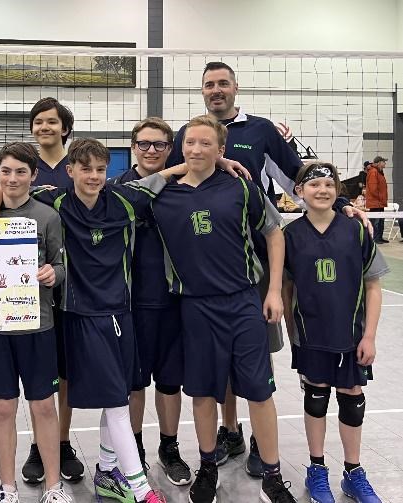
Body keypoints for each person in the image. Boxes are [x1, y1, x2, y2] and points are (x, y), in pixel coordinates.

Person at [166, 61, 368, 474]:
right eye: (209, 85)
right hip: (207, 269)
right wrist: (217, 160)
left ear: (236, 88)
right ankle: (230, 430)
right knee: (216, 357)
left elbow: (303, 176)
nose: (216, 90)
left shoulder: (261, 132)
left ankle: (262, 440)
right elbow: (176, 177)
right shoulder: (189, 135)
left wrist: (344, 201)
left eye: (223, 83)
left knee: (258, 352)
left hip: (254, 266)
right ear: (202, 91)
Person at [0, 137, 193, 503]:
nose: (94, 176)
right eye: (86, 169)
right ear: (70, 172)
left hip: (121, 314)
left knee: (122, 393)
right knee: (115, 401)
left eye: (100, 169)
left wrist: (218, 163)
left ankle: (108, 471)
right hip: (79, 314)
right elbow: (0, 186)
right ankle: (141, 488)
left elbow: (164, 178)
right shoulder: (54, 202)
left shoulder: (127, 199)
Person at [152, 115, 296, 503]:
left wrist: (275, 292)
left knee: (259, 392)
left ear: (221, 147)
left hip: (244, 301)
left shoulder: (241, 188)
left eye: (205, 144)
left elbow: (274, 231)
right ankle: (207, 468)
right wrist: (181, 168)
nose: (196, 150)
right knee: (201, 393)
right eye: (190, 144)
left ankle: (272, 476)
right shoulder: (162, 194)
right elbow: (128, 190)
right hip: (195, 307)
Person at [0, 142, 72, 503]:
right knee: (4, 407)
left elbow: (63, 264)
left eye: (21, 171)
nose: (13, 178)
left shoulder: (47, 217)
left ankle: (53, 486)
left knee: (43, 406)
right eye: (6, 171)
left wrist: (54, 273)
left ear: (34, 175)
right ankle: (8, 488)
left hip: (38, 326)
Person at [283, 161, 389, 503]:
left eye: (329, 185)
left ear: (337, 191)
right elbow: (286, 288)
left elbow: (373, 285)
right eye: (314, 185)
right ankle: (317, 469)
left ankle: (353, 472)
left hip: (351, 334)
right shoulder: (290, 236)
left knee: (352, 397)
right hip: (311, 334)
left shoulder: (356, 230)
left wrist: (370, 336)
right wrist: (291, 331)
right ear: (299, 192)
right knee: (316, 397)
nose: (322, 190)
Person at [108, 117, 191, 486]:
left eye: (159, 144)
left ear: (169, 148)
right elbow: (136, 196)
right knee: (135, 384)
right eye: (144, 144)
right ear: (133, 148)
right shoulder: (116, 187)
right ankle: (135, 448)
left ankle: (169, 448)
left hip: (176, 301)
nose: (151, 150)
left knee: (170, 383)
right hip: (132, 304)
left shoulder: (186, 189)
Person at [22, 97, 85, 485]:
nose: (44, 127)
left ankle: (61, 443)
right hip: (32, 286)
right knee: (39, 372)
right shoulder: (25, 166)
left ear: (64, 128)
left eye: (52, 122)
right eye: (39, 122)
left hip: (73, 282)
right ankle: (37, 444)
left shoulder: (75, 165)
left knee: (65, 372)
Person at [365, 156, 388, 244]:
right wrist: (381, 198)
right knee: (376, 221)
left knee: (381, 220)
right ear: (379, 163)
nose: (385, 163)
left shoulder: (379, 172)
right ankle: (374, 238)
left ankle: (379, 237)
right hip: (375, 202)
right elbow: (373, 188)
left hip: (380, 202)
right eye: (384, 162)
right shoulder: (373, 172)